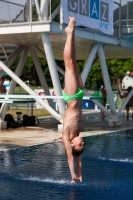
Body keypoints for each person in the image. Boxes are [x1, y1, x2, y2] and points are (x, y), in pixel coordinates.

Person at [54, 17, 84, 183]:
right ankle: (71, 31)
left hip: (72, 96)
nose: (82, 142)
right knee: (75, 64)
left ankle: (69, 32)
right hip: (79, 94)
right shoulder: (77, 134)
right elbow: (78, 158)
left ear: (72, 144)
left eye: (80, 145)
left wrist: (72, 175)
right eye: (82, 145)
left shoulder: (67, 136)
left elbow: (71, 157)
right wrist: (80, 173)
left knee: (70, 64)